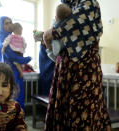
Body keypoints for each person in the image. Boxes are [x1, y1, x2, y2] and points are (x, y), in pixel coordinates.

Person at [43, 0, 111, 130]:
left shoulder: (89, 3)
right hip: (64, 67)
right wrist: (47, 37)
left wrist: (51, 33)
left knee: (82, 111)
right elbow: (59, 39)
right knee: (62, 108)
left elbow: (75, 24)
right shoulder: (68, 6)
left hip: (84, 69)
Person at [0, 16, 31, 110]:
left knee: (17, 95)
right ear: (1, 25)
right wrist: (25, 60)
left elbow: (18, 51)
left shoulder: (14, 37)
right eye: (6, 23)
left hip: (15, 69)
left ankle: (19, 119)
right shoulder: (2, 36)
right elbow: (10, 55)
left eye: (10, 23)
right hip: (7, 70)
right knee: (11, 96)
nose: (9, 25)